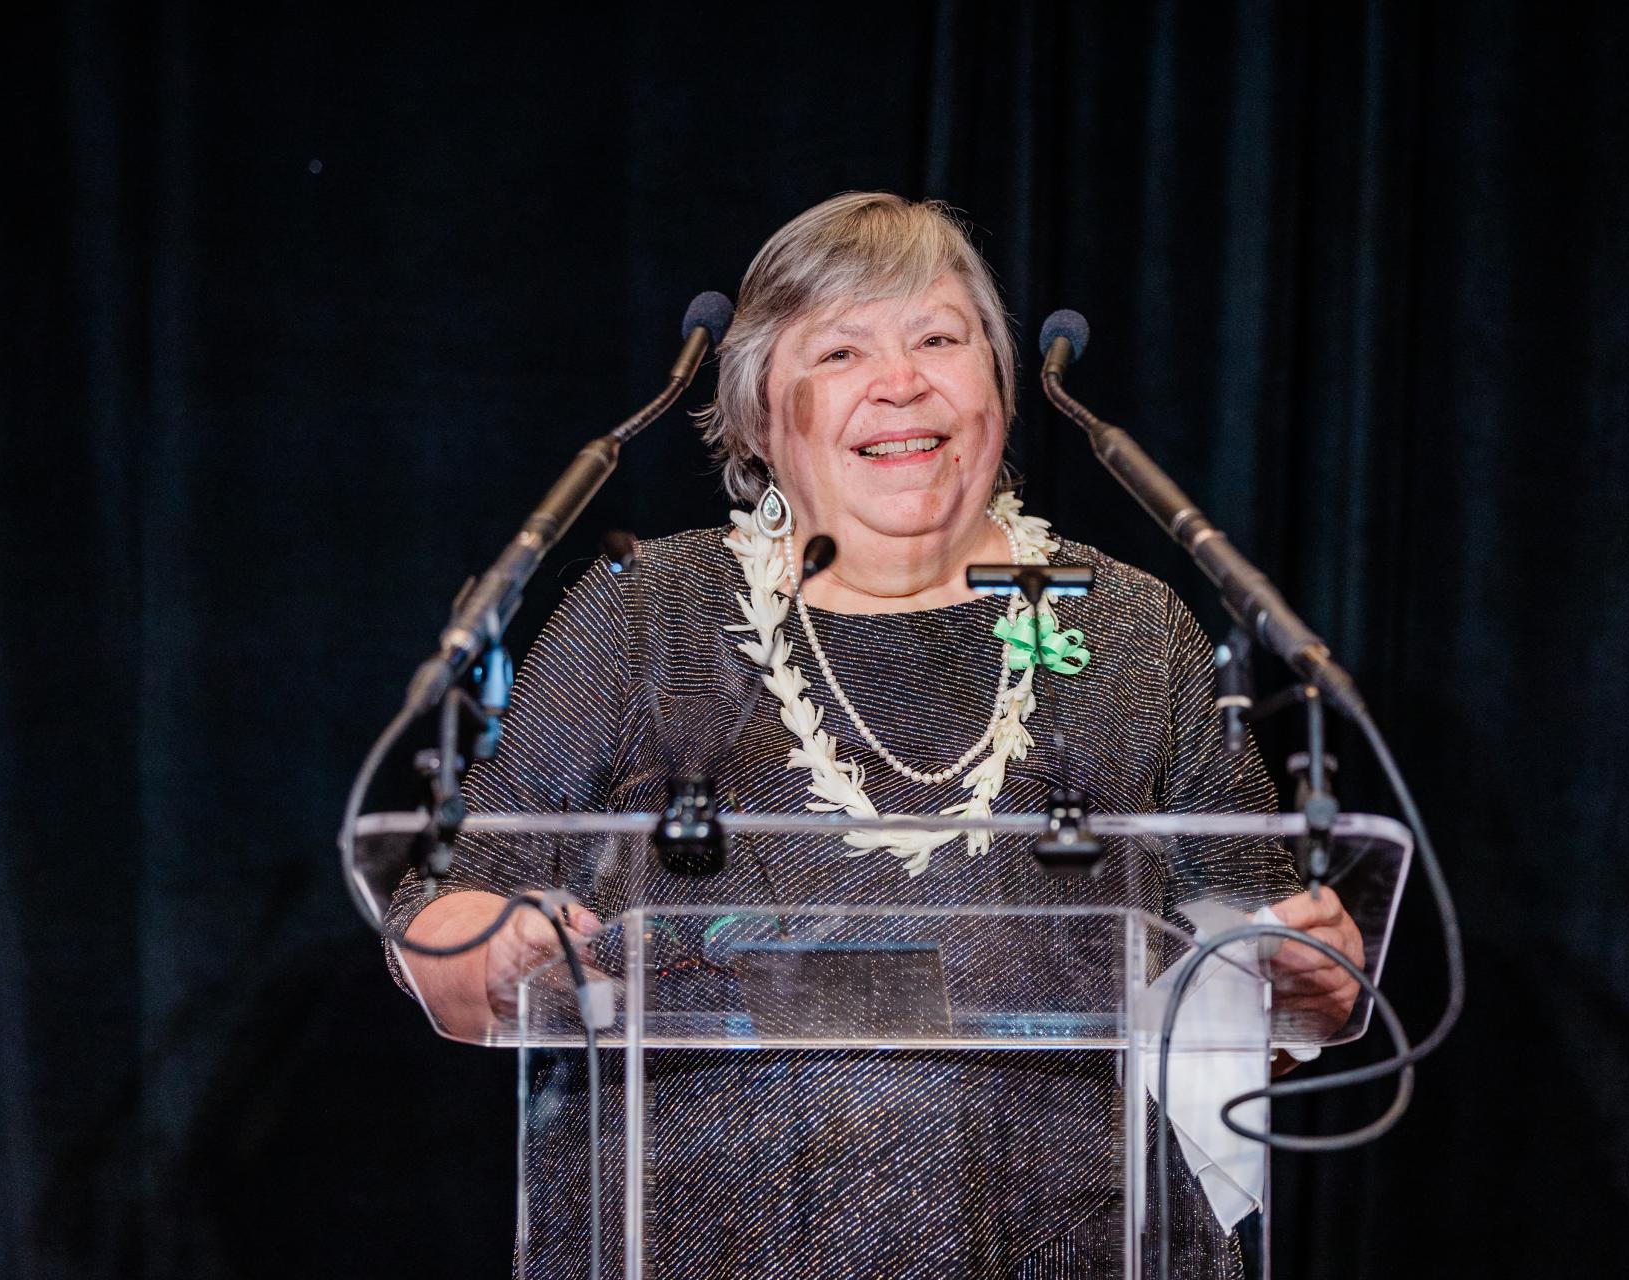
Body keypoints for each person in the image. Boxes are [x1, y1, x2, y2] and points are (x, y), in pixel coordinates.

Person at [389, 191, 1364, 1278]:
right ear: (760, 414)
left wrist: (1303, 976)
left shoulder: (1129, 623)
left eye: (941, 339)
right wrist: (503, 946)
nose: (901, 383)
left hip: (1081, 1238)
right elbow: (450, 910)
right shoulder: (642, 617)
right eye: (842, 349)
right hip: (687, 1235)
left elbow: (1263, 934)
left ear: (998, 384)